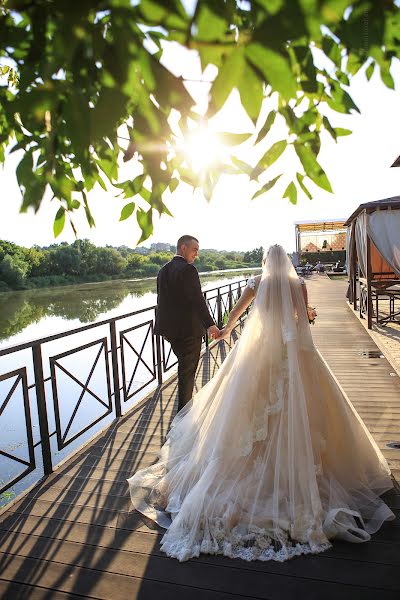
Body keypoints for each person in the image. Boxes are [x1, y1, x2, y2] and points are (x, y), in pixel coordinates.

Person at [128, 245, 394, 562]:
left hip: (259, 351)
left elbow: (236, 313)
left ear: (266, 262)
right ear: (288, 264)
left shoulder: (255, 282)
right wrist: (308, 318)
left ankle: (251, 461)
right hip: (291, 351)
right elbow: (303, 321)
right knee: (303, 407)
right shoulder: (298, 285)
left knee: (248, 408)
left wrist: (225, 330)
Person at [154, 234, 220, 411]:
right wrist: (210, 324)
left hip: (169, 331)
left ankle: (184, 413)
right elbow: (197, 299)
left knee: (184, 369)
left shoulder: (163, 270)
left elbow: (164, 300)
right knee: (187, 375)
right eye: (194, 250)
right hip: (188, 332)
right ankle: (183, 418)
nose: (196, 254)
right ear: (183, 248)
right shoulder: (188, 270)